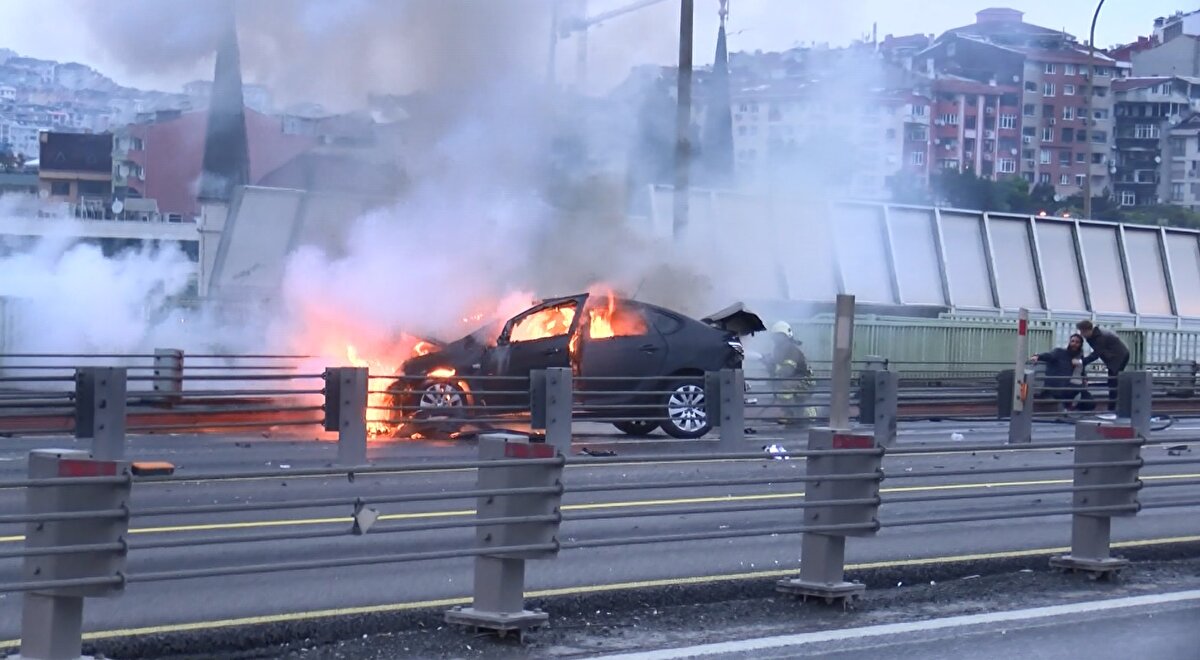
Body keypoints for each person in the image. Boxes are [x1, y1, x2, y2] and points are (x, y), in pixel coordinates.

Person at [764, 321, 817, 424]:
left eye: (778, 335)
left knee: (784, 387)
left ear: (785, 336)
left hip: (805, 382)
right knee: (779, 385)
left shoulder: (791, 350)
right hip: (794, 379)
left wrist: (772, 366)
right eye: (774, 336)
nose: (775, 338)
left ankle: (804, 413)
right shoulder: (778, 349)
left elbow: (787, 371)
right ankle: (789, 412)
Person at [1029, 333, 1094, 411]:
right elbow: (1049, 356)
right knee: (1078, 391)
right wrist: (1038, 356)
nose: (1074, 344)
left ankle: (1071, 409)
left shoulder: (1080, 357)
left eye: (1077, 342)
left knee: (1090, 402)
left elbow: (1081, 370)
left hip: (1073, 386)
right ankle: (1069, 408)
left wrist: (1085, 378)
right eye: (1072, 341)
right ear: (1069, 342)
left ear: (1080, 344)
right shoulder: (1059, 352)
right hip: (1059, 387)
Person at [1076, 320, 1130, 412]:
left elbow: (1097, 353)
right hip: (1113, 357)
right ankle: (1112, 408)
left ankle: (1112, 409)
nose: (1081, 334)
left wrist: (1082, 362)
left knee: (1113, 382)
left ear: (1087, 330)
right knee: (1112, 382)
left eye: (1082, 332)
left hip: (1119, 357)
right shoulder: (1093, 336)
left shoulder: (1099, 337)